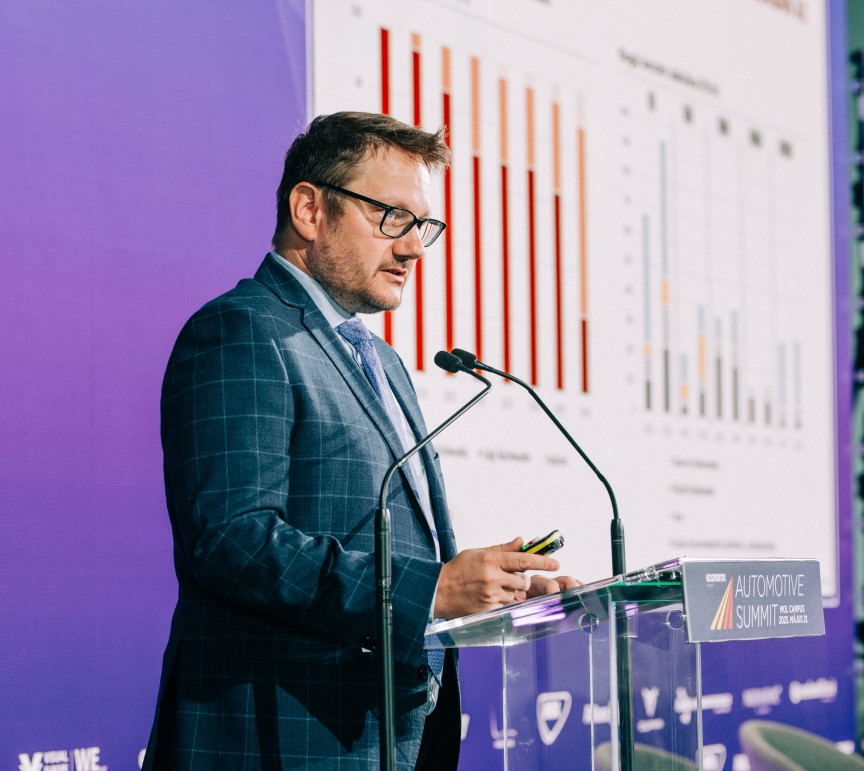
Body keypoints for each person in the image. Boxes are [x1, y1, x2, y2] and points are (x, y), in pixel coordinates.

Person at [143, 111, 577, 770]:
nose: (414, 248)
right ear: (310, 209)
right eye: (393, 218)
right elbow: (233, 540)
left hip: (391, 731)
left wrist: (491, 594)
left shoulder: (383, 360)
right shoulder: (242, 332)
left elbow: (393, 544)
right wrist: (429, 591)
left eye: (424, 225)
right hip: (285, 737)